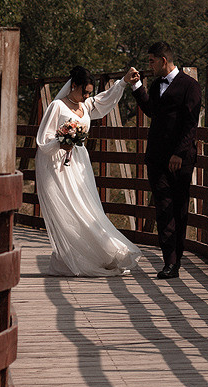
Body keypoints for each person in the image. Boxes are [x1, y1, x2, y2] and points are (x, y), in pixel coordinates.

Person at [35, 66, 143, 277]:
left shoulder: (86, 105)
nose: (86, 96)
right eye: (83, 92)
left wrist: (123, 82)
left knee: (87, 208)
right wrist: (60, 142)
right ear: (73, 86)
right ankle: (69, 257)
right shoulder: (57, 106)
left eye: (88, 93)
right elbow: (43, 140)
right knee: (68, 209)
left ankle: (100, 252)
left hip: (79, 164)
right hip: (57, 166)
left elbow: (105, 100)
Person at [128, 41, 202, 280]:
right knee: (162, 208)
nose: (149, 65)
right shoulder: (158, 83)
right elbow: (152, 111)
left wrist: (179, 154)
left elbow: (191, 124)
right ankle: (169, 262)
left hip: (181, 159)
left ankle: (176, 259)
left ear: (163, 60)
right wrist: (137, 85)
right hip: (157, 157)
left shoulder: (190, 86)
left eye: (151, 61)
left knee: (178, 209)